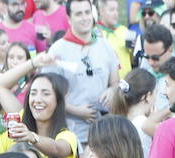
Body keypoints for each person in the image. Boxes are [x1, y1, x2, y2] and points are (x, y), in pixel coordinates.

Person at [47, 0, 121, 142]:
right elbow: (50, 93)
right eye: (79, 14)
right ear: (69, 19)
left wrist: (112, 90)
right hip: (71, 132)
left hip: (104, 131)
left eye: (87, 12)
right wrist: (76, 110)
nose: (85, 17)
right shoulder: (57, 50)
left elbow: (115, 82)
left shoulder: (105, 46)